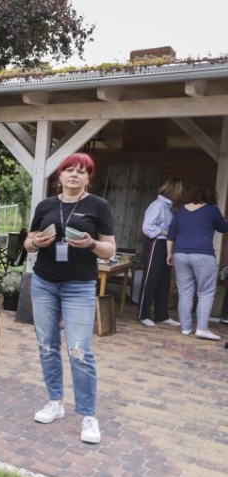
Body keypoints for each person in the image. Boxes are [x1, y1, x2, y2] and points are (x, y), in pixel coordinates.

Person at [25, 152, 116, 445]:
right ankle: (55, 402)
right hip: (44, 283)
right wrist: (35, 242)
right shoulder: (46, 205)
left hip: (79, 286)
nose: (74, 175)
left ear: (88, 178)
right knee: (47, 344)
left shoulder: (98, 206)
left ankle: (89, 415)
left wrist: (91, 244)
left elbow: (110, 250)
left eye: (81, 171)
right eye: (69, 170)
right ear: (60, 176)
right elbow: (28, 243)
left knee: (79, 349)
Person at [166, 186, 228, 340]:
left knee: (185, 292)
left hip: (180, 254)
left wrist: (169, 254)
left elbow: (171, 233)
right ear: (210, 197)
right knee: (206, 292)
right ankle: (201, 328)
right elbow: (222, 227)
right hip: (203, 254)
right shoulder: (212, 210)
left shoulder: (180, 211)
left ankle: (185, 328)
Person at [138, 178, 183, 327]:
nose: (180, 194)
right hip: (155, 244)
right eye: (179, 191)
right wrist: (168, 232)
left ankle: (161, 314)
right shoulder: (157, 205)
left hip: (166, 246)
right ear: (173, 191)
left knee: (164, 281)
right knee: (151, 279)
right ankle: (143, 314)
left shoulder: (168, 207)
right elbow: (147, 227)